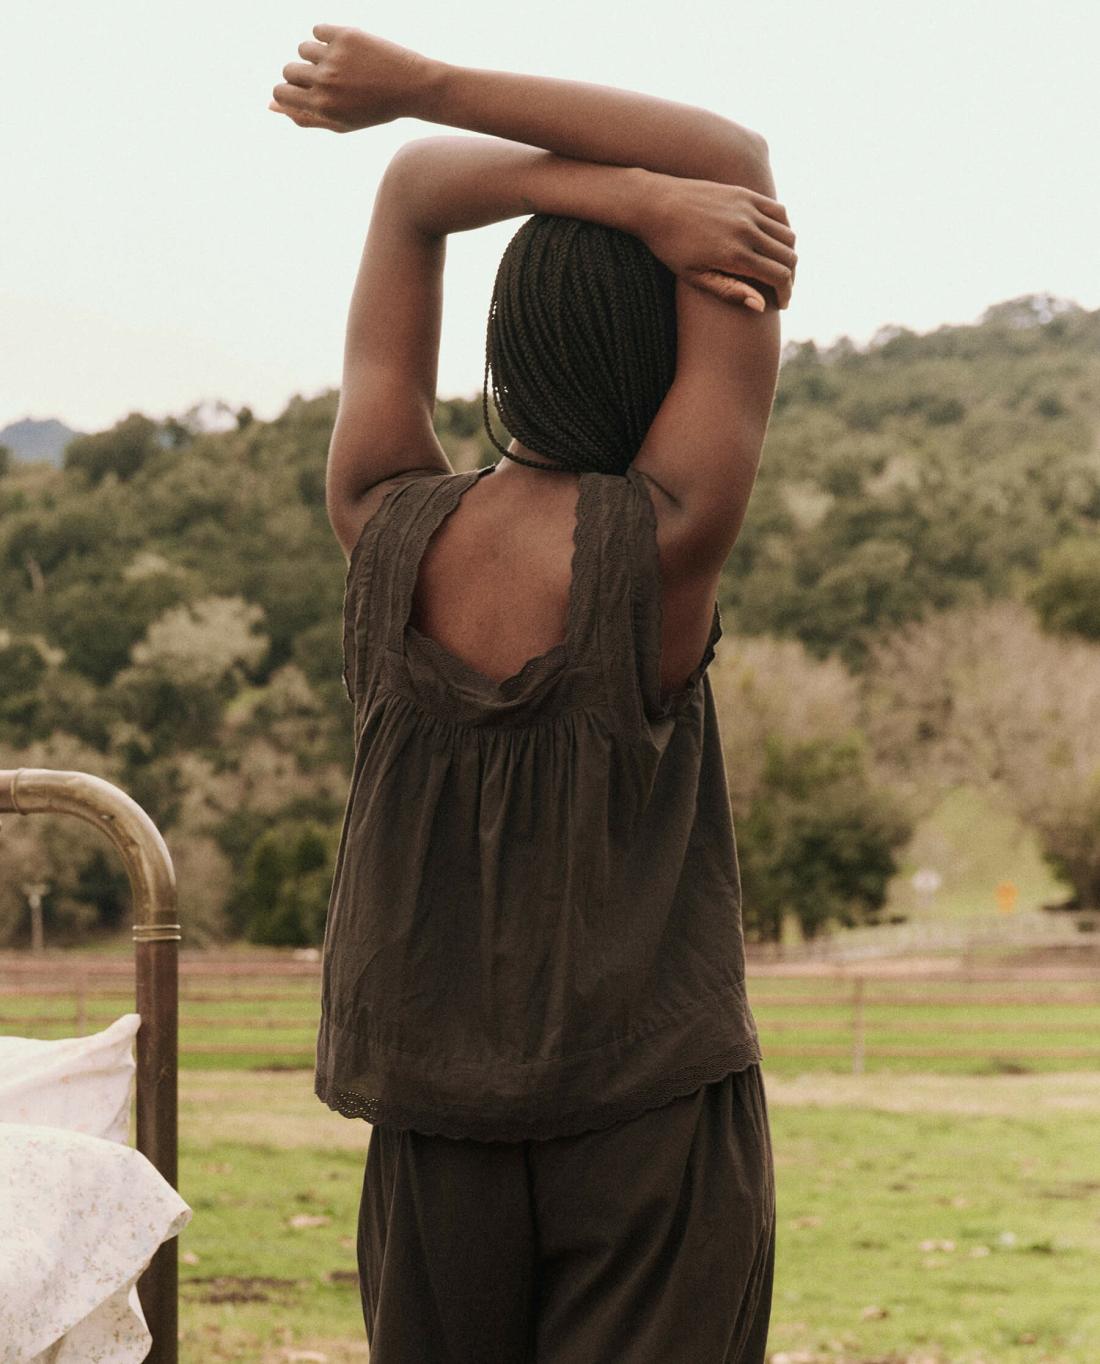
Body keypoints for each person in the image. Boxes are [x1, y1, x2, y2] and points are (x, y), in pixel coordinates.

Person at [270, 24, 796, 1363]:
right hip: (651, 1123)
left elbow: (412, 194)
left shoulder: (379, 518)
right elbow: (733, 164)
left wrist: (454, 121)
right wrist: (657, 201)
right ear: (658, 354)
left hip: (433, 1130)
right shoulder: (665, 540)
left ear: (504, 341)